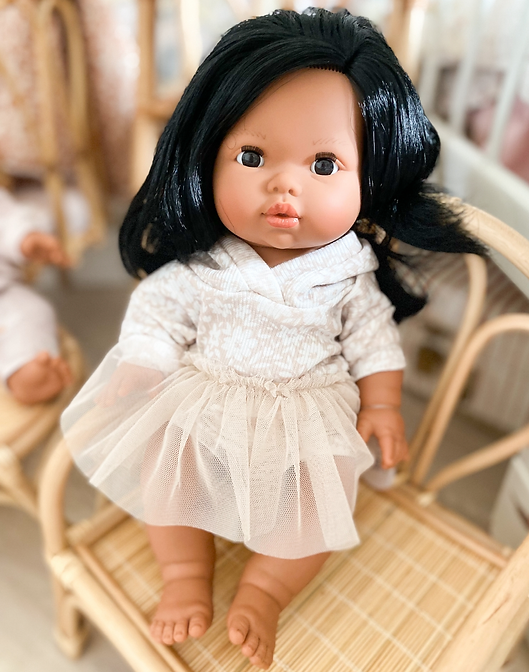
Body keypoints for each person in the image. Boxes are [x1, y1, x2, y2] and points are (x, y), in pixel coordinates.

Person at [61, 9, 483, 669]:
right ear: (208, 157)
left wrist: (380, 403)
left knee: (315, 508)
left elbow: (374, 338)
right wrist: (144, 363)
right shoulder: (207, 263)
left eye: (325, 164)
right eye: (252, 157)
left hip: (303, 420)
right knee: (166, 474)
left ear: (368, 179)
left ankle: (264, 589)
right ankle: (185, 574)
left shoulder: (347, 274)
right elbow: (159, 310)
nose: (285, 184)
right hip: (207, 405)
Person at [0, 187, 72, 404]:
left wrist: (25, 239)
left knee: (34, 312)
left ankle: (27, 373)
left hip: (4, 294)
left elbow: (8, 220)